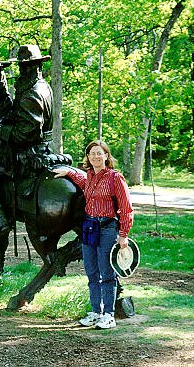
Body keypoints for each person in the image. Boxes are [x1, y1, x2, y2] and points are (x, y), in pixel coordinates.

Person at [53, 140, 134, 329]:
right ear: (88, 158)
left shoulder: (116, 178)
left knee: (107, 273)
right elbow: (80, 180)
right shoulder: (89, 176)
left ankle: (109, 315)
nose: (96, 157)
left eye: (100, 153)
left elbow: (126, 208)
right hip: (89, 227)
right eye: (92, 154)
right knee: (91, 271)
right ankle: (96, 312)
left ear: (106, 156)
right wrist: (68, 171)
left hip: (108, 228)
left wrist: (123, 234)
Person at [0, 44, 53, 235]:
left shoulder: (31, 93)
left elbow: (23, 135)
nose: (22, 71)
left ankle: (1, 220)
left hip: (29, 153)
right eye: (21, 67)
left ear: (37, 67)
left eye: (27, 67)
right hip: (42, 146)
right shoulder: (43, 86)